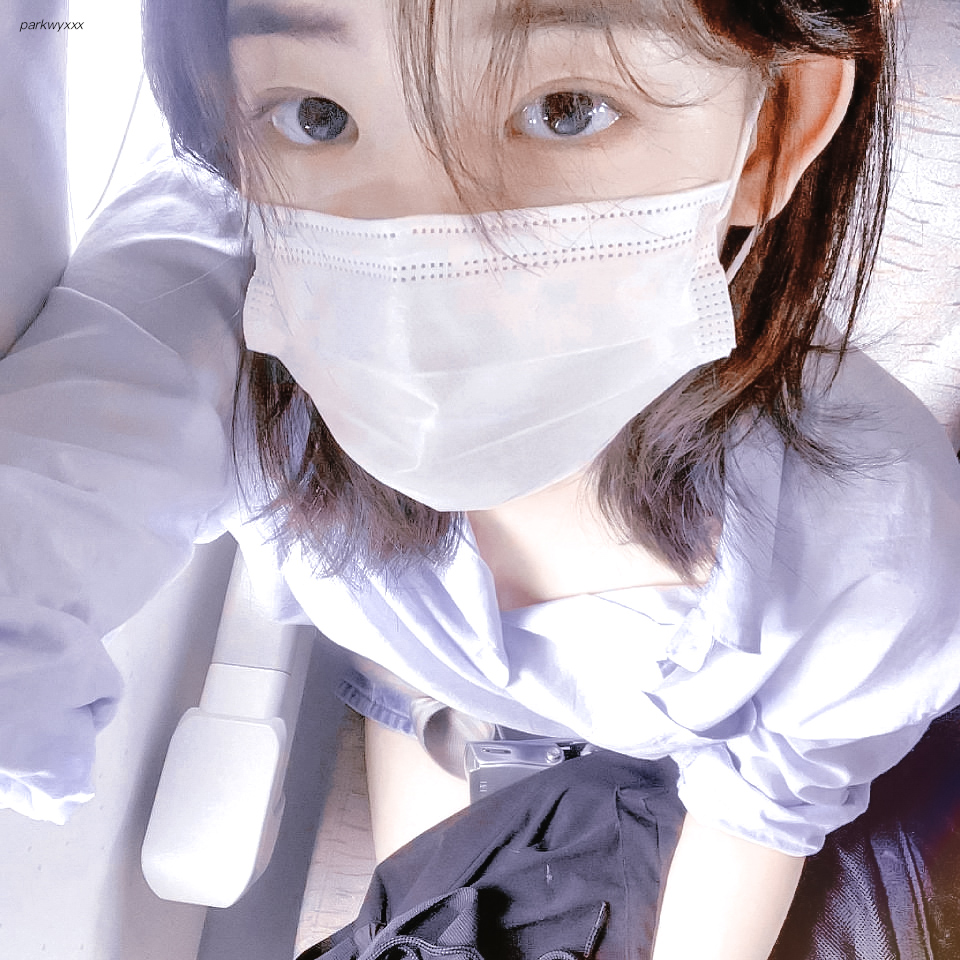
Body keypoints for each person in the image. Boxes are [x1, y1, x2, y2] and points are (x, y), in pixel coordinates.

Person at [2, 0, 960, 957]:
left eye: (566, 109)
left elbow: (762, 807)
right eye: (318, 115)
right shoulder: (233, 315)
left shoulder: (868, 547)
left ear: (774, 127)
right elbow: (63, 471)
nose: (425, 238)